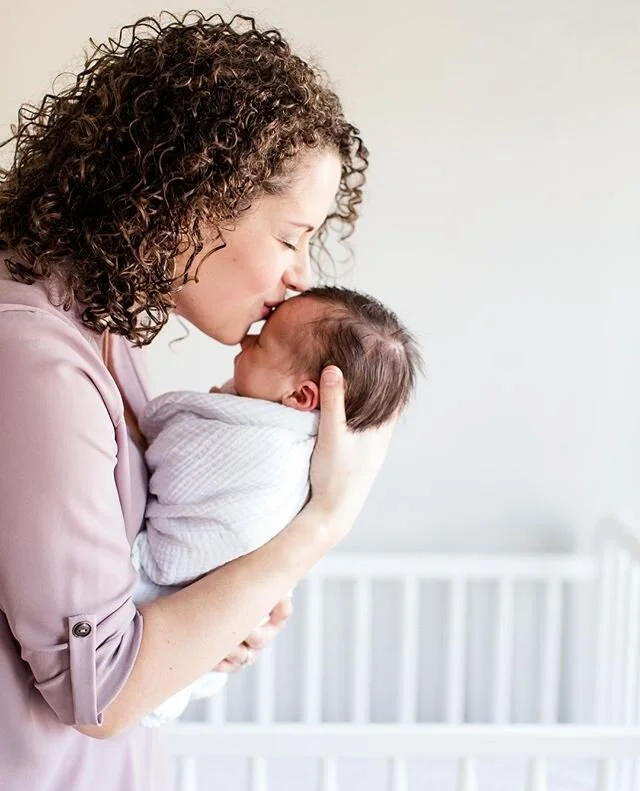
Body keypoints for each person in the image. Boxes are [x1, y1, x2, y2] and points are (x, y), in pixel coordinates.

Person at [0, 11, 396, 791]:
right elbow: (99, 690)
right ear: (190, 198)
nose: (300, 277)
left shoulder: (98, 326)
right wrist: (317, 527)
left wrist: (212, 613)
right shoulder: (36, 360)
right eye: (291, 237)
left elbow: (125, 599)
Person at [132, 286, 422, 726]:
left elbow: (181, 544)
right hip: (174, 651)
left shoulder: (266, 453)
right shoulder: (265, 428)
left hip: (152, 631)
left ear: (302, 398)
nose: (246, 341)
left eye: (262, 341)